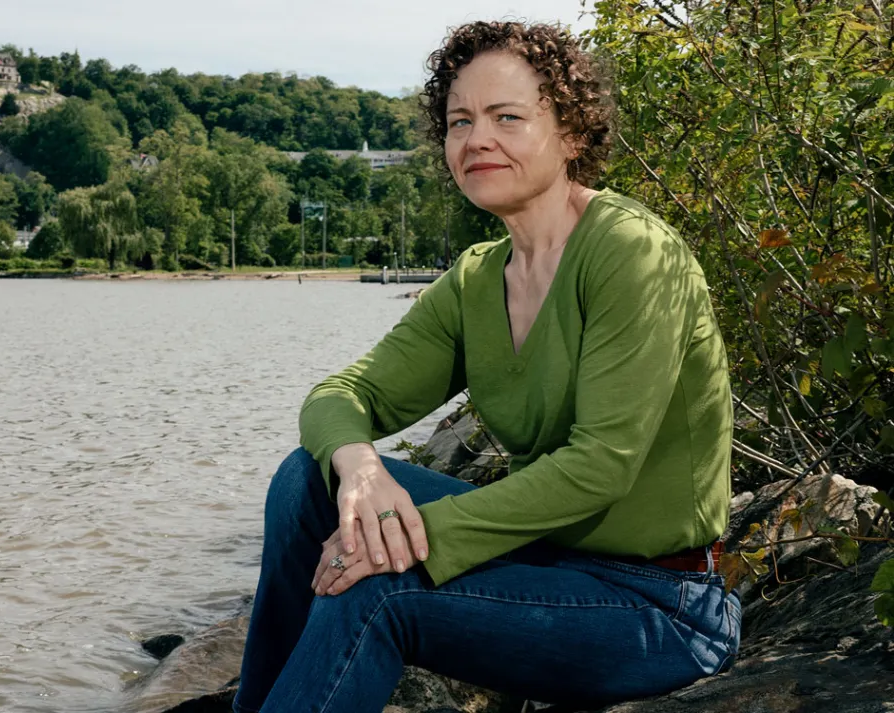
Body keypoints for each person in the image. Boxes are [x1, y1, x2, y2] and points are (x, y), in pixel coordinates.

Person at [233, 20, 739, 713]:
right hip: (543, 560)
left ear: (572, 134)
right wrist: (360, 469)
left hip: (658, 604)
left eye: (507, 117)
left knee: (381, 586)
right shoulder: (478, 277)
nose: (477, 140)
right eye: (460, 122)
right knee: (304, 481)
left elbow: (601, 465)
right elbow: (342, 394)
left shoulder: (633, 252)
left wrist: (411, 540)